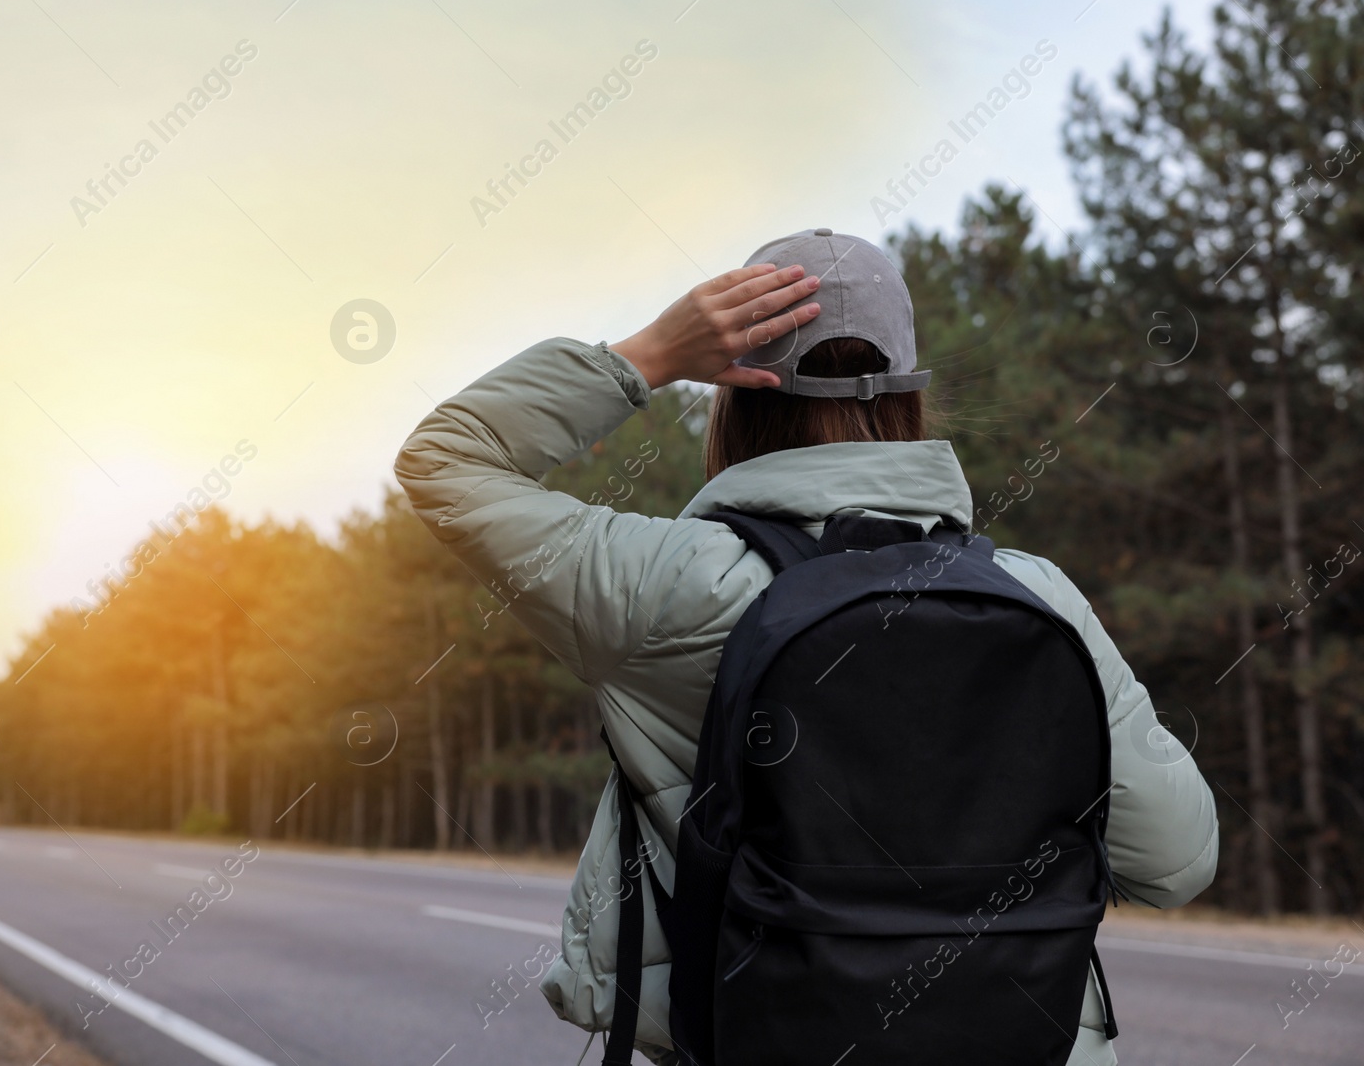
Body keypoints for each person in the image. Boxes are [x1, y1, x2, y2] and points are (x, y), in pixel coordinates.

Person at [395, 229, 1219, 1065]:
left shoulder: (665, 584)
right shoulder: (1039, 596)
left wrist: (650, 353)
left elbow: (446, 459)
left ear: (735, 394)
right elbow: (1178, 861)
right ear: (907, 399)